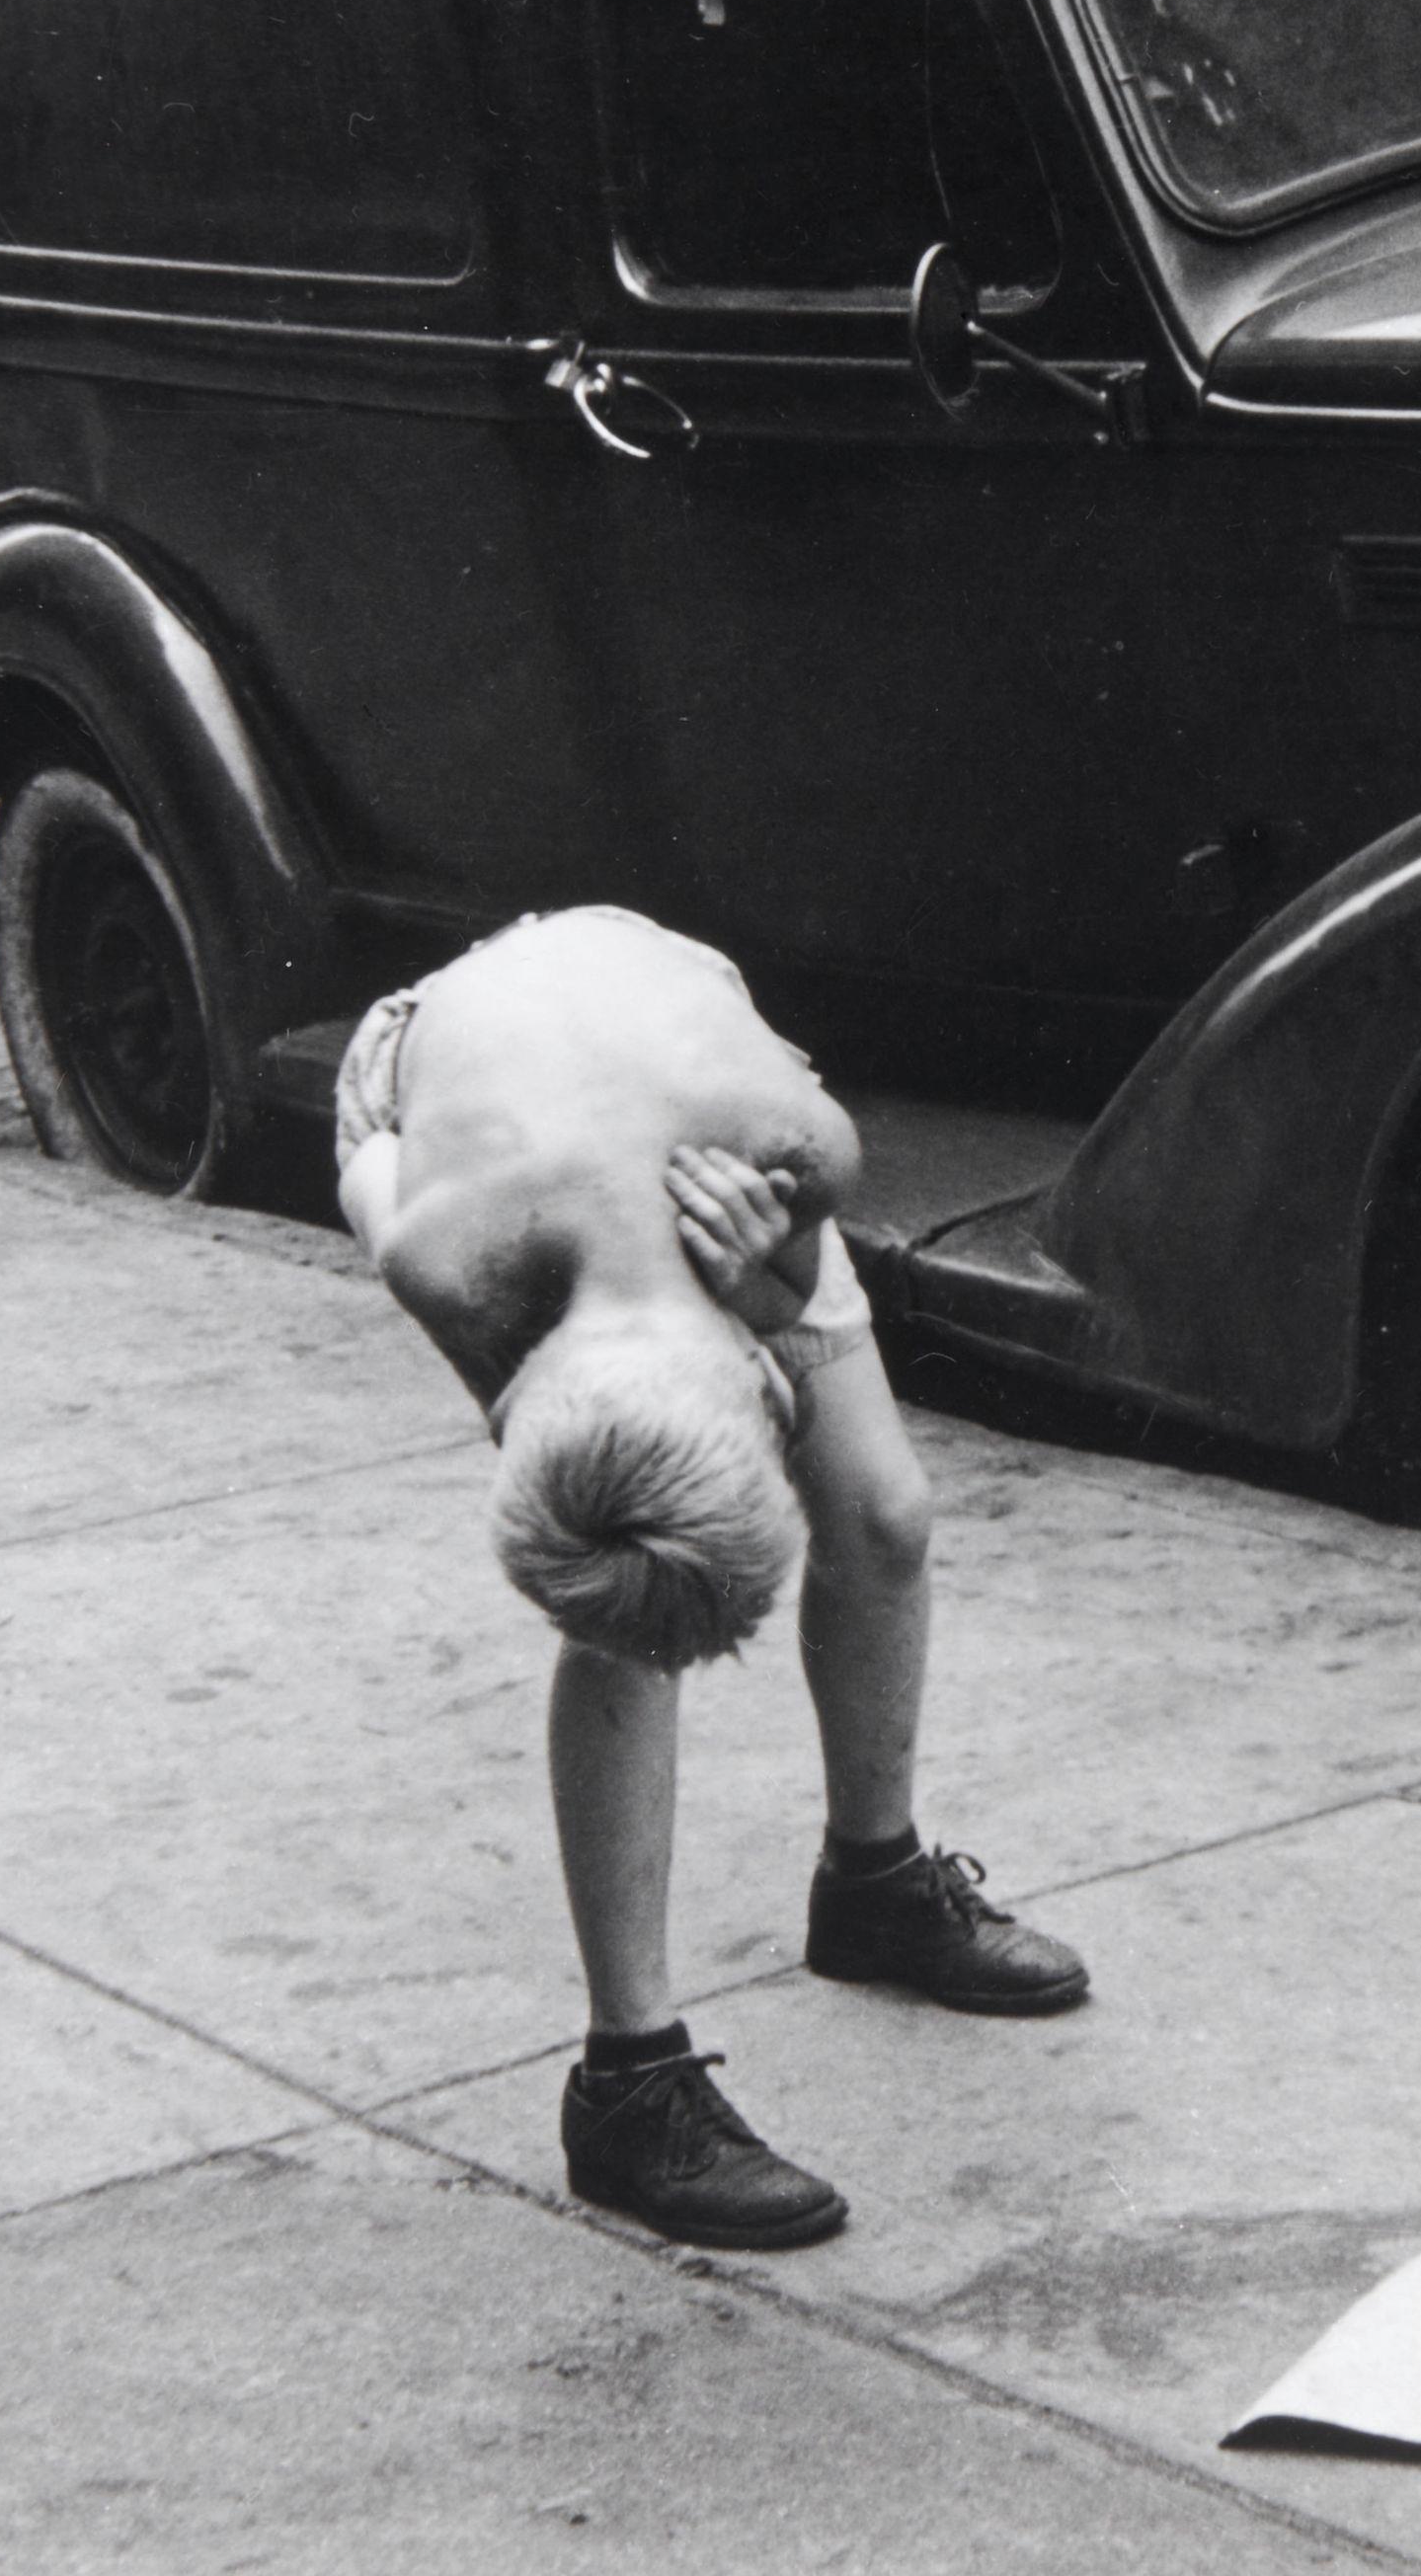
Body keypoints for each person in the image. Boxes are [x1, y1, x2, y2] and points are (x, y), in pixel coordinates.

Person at [335, 905, 1086, 2250]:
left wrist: (784, 1280)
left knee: (886, 1514)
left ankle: (875, 1887)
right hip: (450, 1084)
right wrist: (593, 1419)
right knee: (628, 1591)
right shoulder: (444, 1245)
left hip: (678, 1069)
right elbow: (382, 1172)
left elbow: (783, 1261)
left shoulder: (793, 1153)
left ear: (760, 1376)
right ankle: (629, 2081)